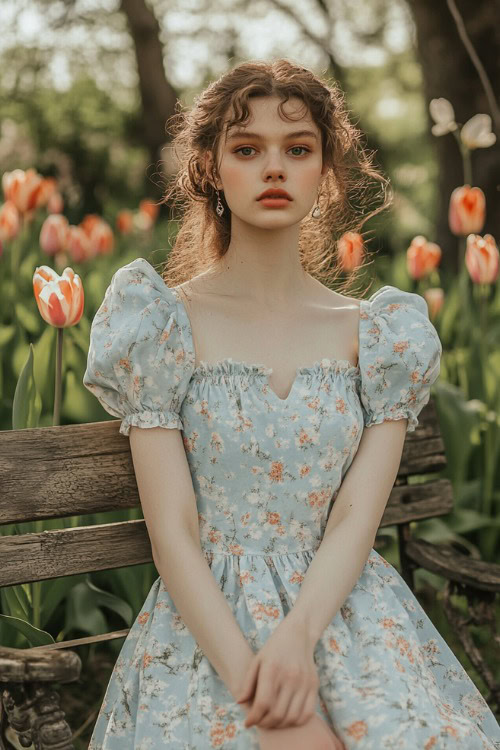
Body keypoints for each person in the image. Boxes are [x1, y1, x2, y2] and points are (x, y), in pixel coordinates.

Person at [83, 58, 500, 749]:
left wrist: (297, 642)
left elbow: (354, 520)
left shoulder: (379, 337)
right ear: (212, 169)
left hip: (348, 613)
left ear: (325, 170)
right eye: (247, 150)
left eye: (297, 149)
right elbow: (174, 536)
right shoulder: (158, 326)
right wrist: (259, 686)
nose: (273, 169)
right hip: (209, 628)